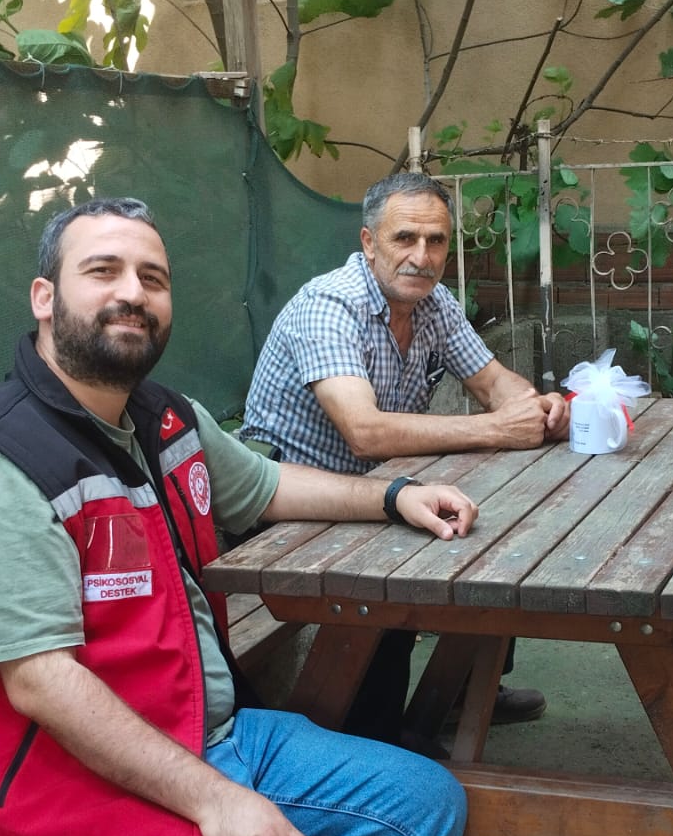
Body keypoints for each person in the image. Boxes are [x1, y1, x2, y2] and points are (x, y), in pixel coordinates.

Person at [0, 198, 476, 836]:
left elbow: (265, 487)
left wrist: (392, 496)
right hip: (59, 817)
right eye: (103, 271)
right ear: (44, 298)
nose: (132, 293)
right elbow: (41, 681)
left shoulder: (160, 417)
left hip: (203, 739)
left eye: (153, 277)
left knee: (425, 808)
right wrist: (217, 802)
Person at [241, 171, 567, 746]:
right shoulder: (329, 306)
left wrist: (537, 408)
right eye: (405, 238)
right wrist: (495, 428)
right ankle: (380, 740)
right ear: (369, 243)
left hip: (378, 486)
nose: (422, 256)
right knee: (392, 582)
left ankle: (465, 689)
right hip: (290, 507)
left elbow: (494, 383)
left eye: (436, 241)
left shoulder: (432, 302)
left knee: (492, 525)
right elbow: (364, 433)